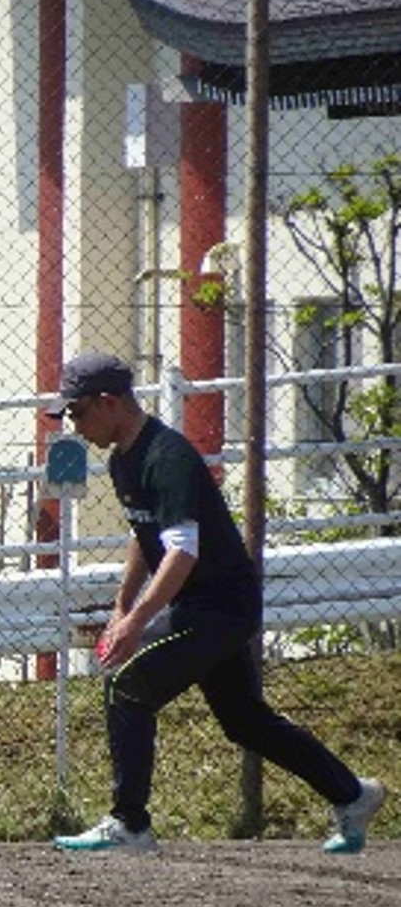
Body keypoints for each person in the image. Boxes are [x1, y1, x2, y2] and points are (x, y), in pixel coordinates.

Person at [45, 352, 387, 854]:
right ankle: (353, 794)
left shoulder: (169, 457)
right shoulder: (123, 459)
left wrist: (138, 622)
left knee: (128, 683)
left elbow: (183, 549)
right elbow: (147, 533)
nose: (74, 425)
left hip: (220, 605)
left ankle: (130, 823)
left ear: (109, 402)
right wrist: (122, 606)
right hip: (199, 605)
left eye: (76, 413)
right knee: (244, 720)